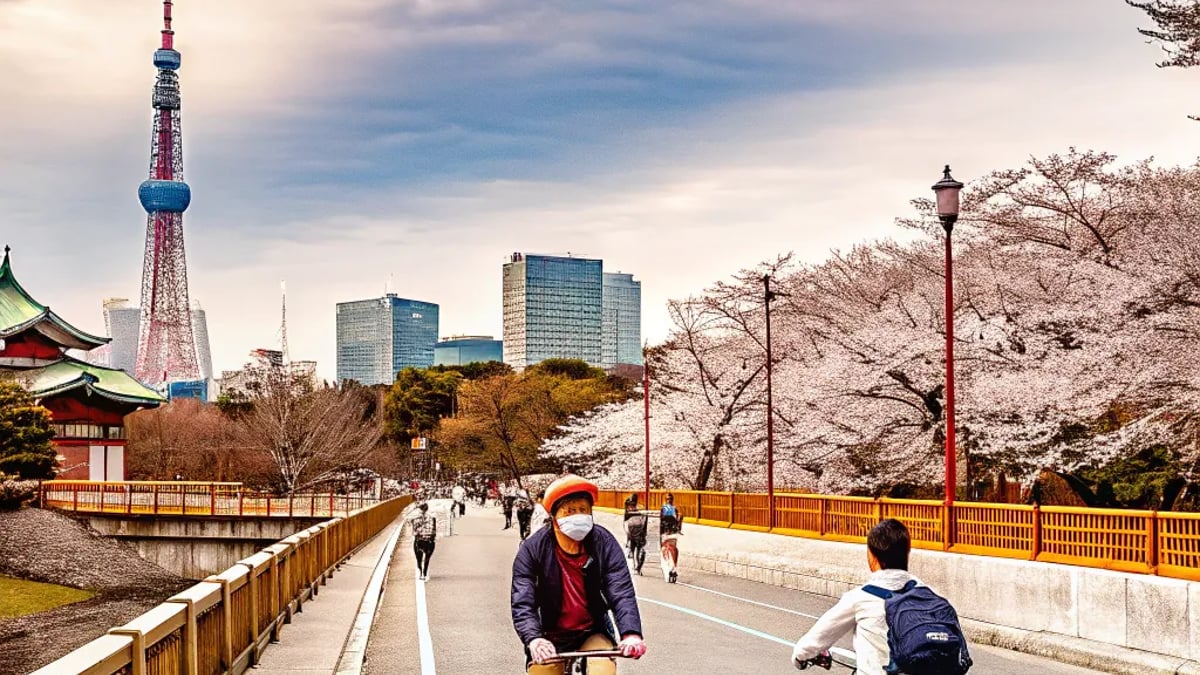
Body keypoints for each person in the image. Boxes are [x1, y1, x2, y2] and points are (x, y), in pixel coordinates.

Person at [511, 474, 647, 674]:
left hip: (592, 631)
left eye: (583, 510)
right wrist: (534, 638)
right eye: (570, 510)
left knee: (603, 669)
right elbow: (523, 601)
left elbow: (620, 590)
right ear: (554, 517)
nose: (578, 515)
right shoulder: (532, 549)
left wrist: (631, 633)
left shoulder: (603, 542)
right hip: (549, 633)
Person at [791, 519, 933, 674]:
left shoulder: (860, 598)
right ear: (908, 551)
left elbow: (815, 640)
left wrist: (799, 657)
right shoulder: (928, 595)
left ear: (872, 557)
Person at [410, 502, 437, 581]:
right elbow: (434, 531)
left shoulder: (415, 518)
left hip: (419, 541)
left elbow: (414, 531)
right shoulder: (432, 517)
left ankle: (421, 572)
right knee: (427, 558)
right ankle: (425, 573)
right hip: (429, 541)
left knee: (419, 559)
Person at [658, 493, 682, 583]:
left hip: (666, 533)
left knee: (667, 550)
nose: (669, 500)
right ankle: (673, 568)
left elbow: (660, 521)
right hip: (671, 532)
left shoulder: (664, 509)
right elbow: (677, 522)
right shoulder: (674, 509)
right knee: (672, 549)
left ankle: (670, 568)